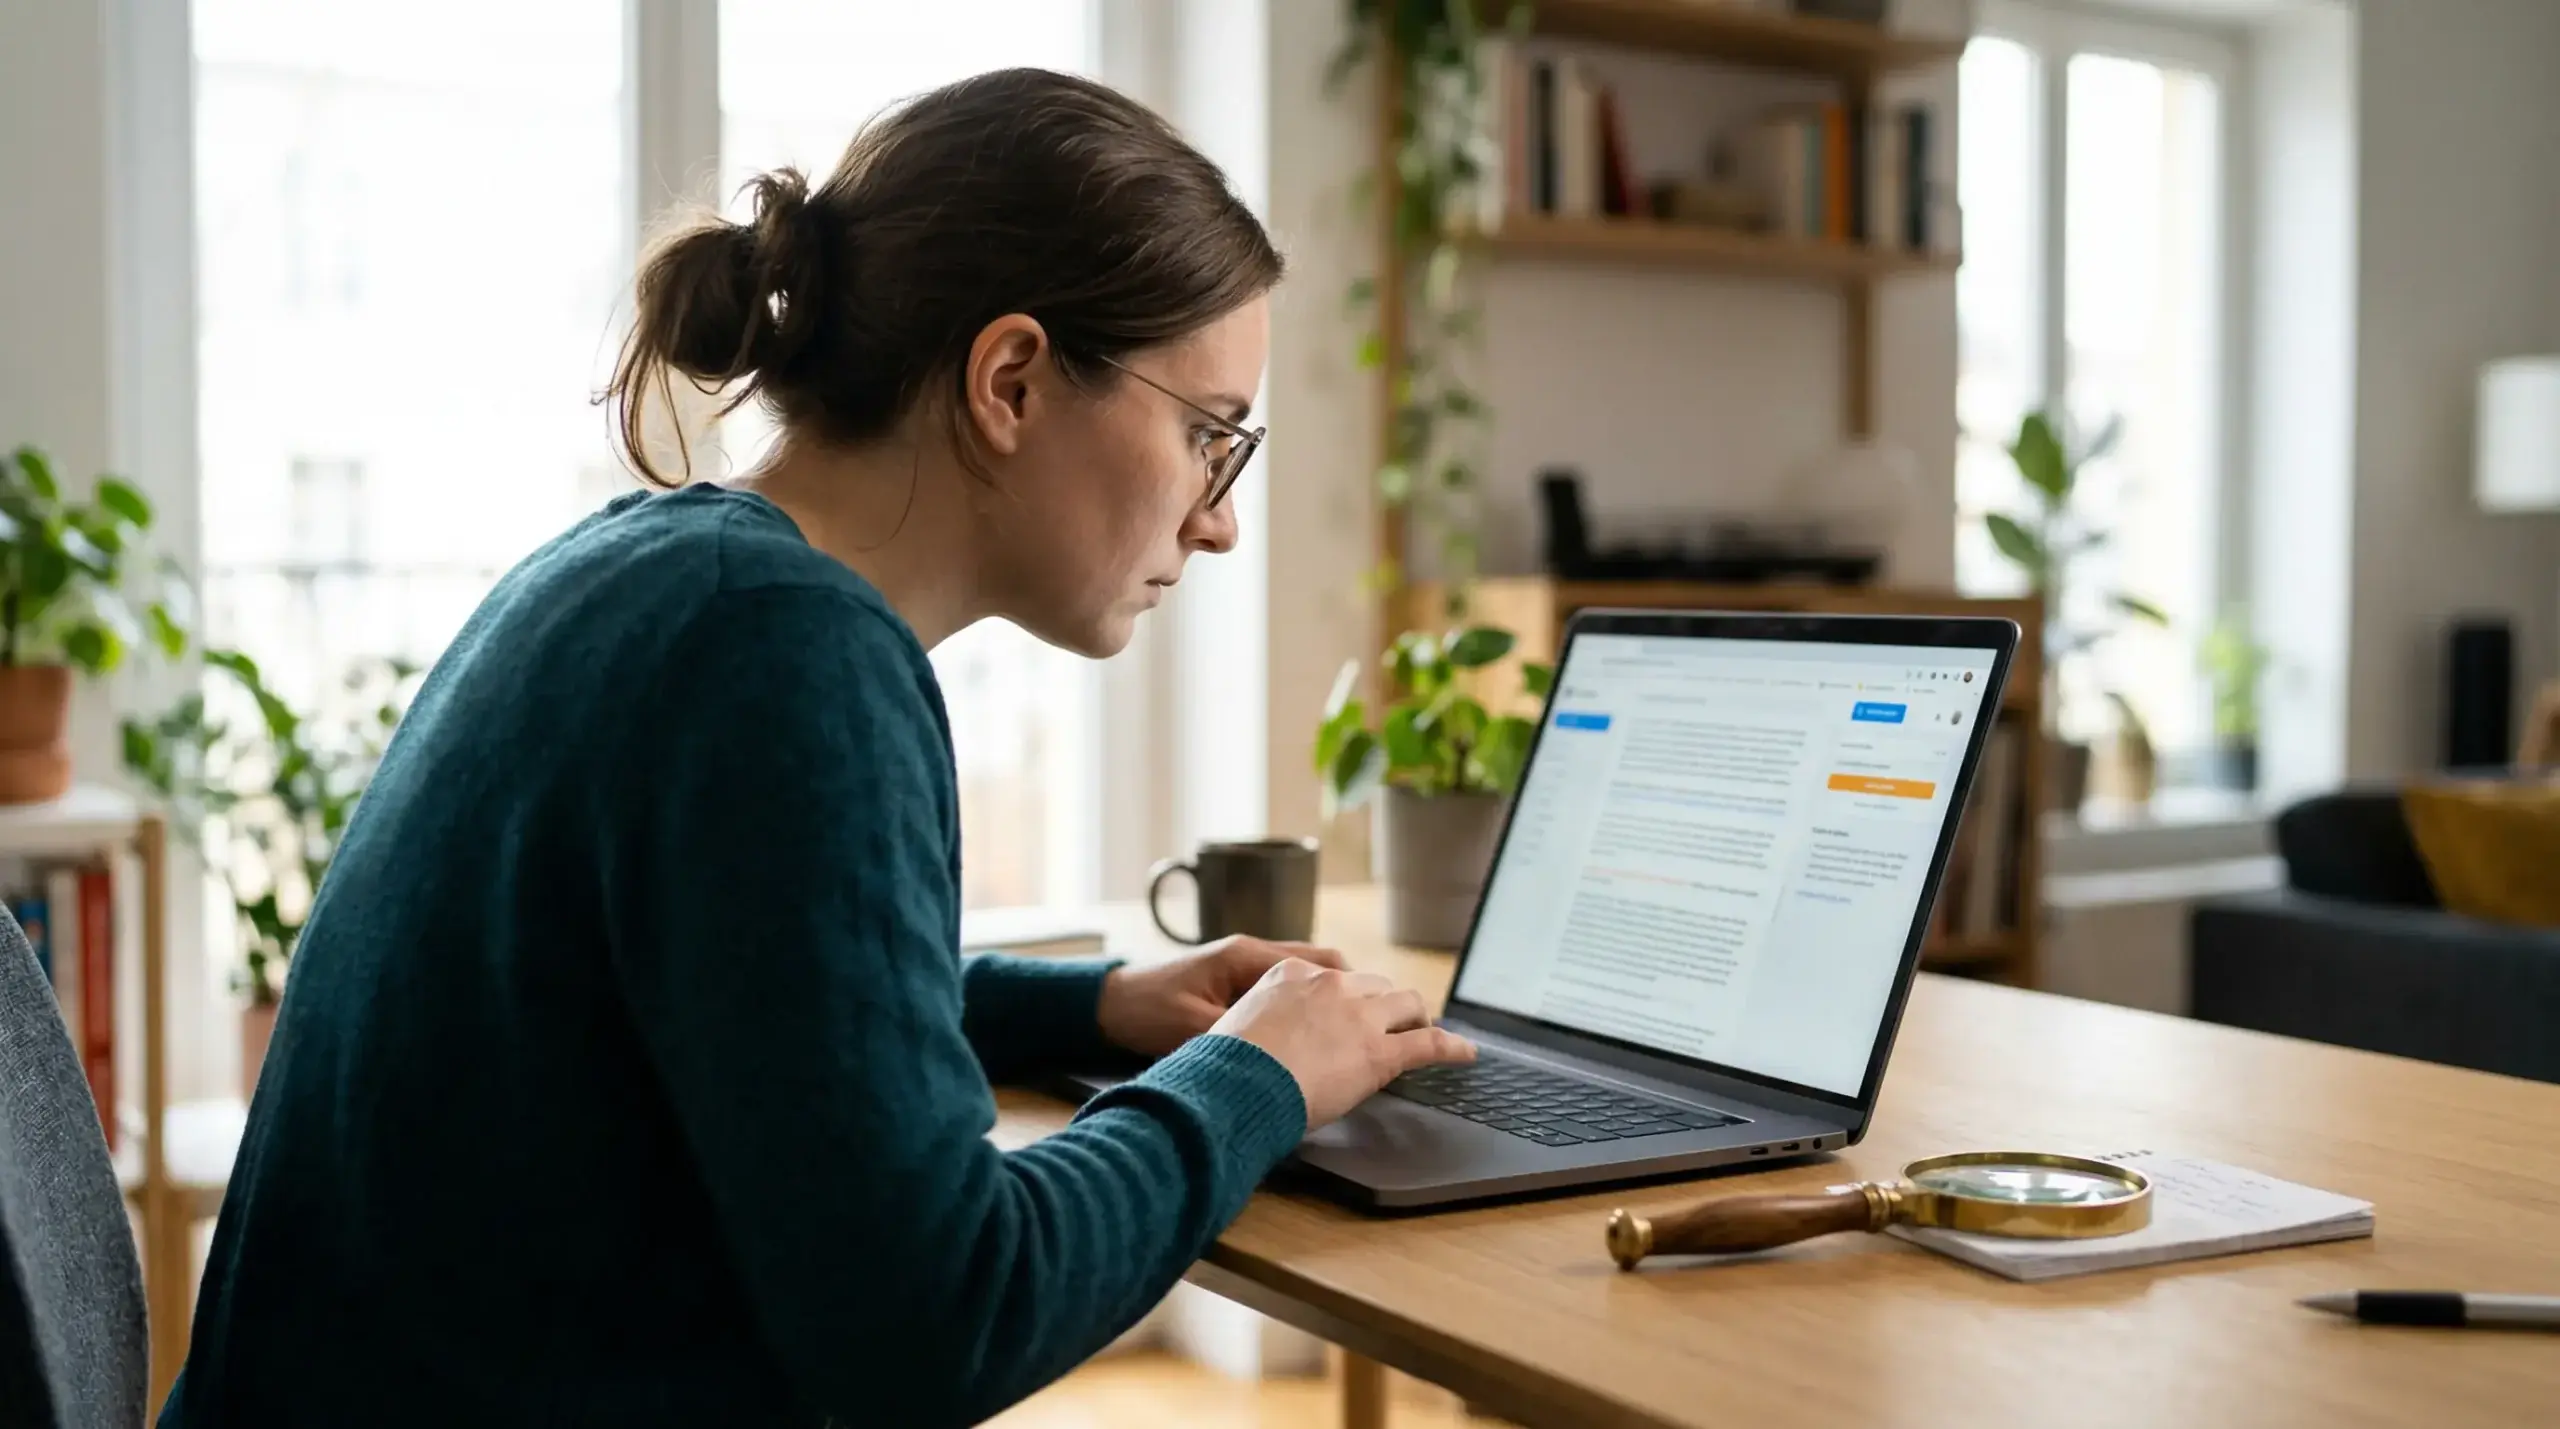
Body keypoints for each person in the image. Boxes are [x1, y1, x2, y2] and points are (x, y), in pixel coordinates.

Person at [162, 68, 1473, 1428]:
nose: (1219, 523)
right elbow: (945, 1316)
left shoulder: (659, 567)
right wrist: (1253, 1077)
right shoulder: (786, 656)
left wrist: (1087, 1009)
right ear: (1011, 379)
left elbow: (750, 994)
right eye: (1209, 436)